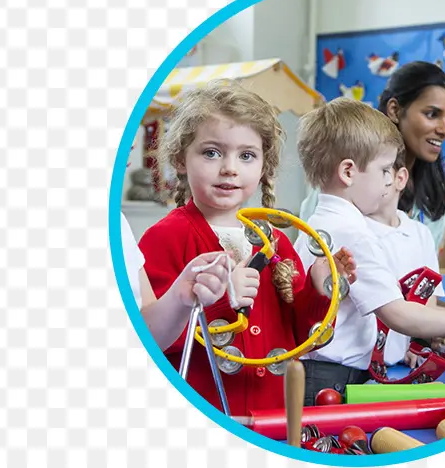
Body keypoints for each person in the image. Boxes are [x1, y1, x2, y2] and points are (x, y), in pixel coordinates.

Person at [137, 82, 356, 416]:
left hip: (273, 417)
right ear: (181, 159)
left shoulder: (278, 243)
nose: (230, 168)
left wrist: (319, 288)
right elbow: (154, 339)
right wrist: (224, 301)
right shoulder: (164, 238)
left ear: (263, 166)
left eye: (247, 155)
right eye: (211, 152)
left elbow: (299, 336)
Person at [294, 98, 445, 404]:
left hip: (320, 372)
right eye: (384, 169)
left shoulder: (319, 222)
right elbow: (398, 313)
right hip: (329, 379)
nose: (388, 182)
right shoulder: (352, 232)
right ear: (348, 172)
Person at [299, 61, 445, 249]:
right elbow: (315, 247)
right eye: (432, 114)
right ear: (395, 110)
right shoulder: (346, 174)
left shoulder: (433, 193)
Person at [363, 156, 445, 368]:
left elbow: (427, 301)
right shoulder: (357, 229)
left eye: (382, 172)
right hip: (362, 360)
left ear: (400, 178)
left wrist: (417, 344)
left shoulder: (420, 234)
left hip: (400, 362)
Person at [120, 211, 231, 350]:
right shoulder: (164, 234)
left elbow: (146, 335)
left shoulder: (118, 224)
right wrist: (224, 301)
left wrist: (180, 297)